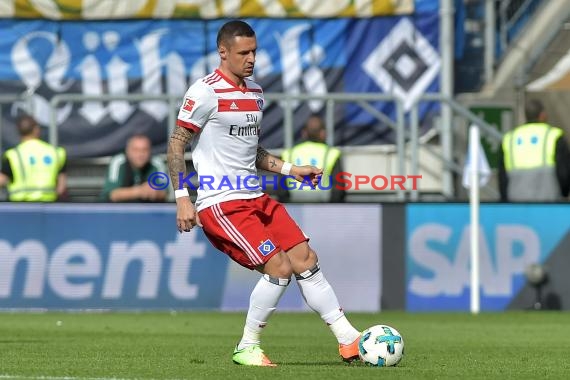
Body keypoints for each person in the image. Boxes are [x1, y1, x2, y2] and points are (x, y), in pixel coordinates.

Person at [167, 20, 361, 367]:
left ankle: (349, 339)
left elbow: (251, 151)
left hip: (255, 196)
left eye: (254, 51)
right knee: (280, 266)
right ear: (223, 52)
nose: (251, 58)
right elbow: (177, 143)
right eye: (243, 52)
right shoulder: (204, 92)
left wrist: (291, 169)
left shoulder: (254, 92)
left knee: (306, 259)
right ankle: (247, 345)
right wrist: (182, 196)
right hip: (221, 202)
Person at [498, 99, 570, 202]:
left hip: (516, 205)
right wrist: (564, 193)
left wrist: (505, 202)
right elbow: (564, 173)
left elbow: (502, 178)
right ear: (543, 115)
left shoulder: (509, 139)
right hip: (549, 204)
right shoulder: (553, 136)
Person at [0, 115, 67, 201]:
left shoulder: (13, 155)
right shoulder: (56, 153)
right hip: (48, 206)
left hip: (19, 207)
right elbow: (61, 187)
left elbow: (1, 180)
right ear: (36, 129)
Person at [281, 114, 345, 202]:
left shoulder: (288, 153)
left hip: (294, 204)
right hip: (323, 206)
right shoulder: (332, 153)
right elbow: (339, 188)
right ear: (323, 133)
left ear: (304, 133)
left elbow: (281, 189)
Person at [100, 134, 168, 202]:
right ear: (127, 151)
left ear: (150, 151)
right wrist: (140, 191)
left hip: (149, 210)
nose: (140, 154)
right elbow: (112, 194)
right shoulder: (118, 162)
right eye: (136, 150)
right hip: (119, 210)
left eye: (144, 150)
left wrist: (154, 192)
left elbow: (165, 193)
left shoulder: (157, 163)